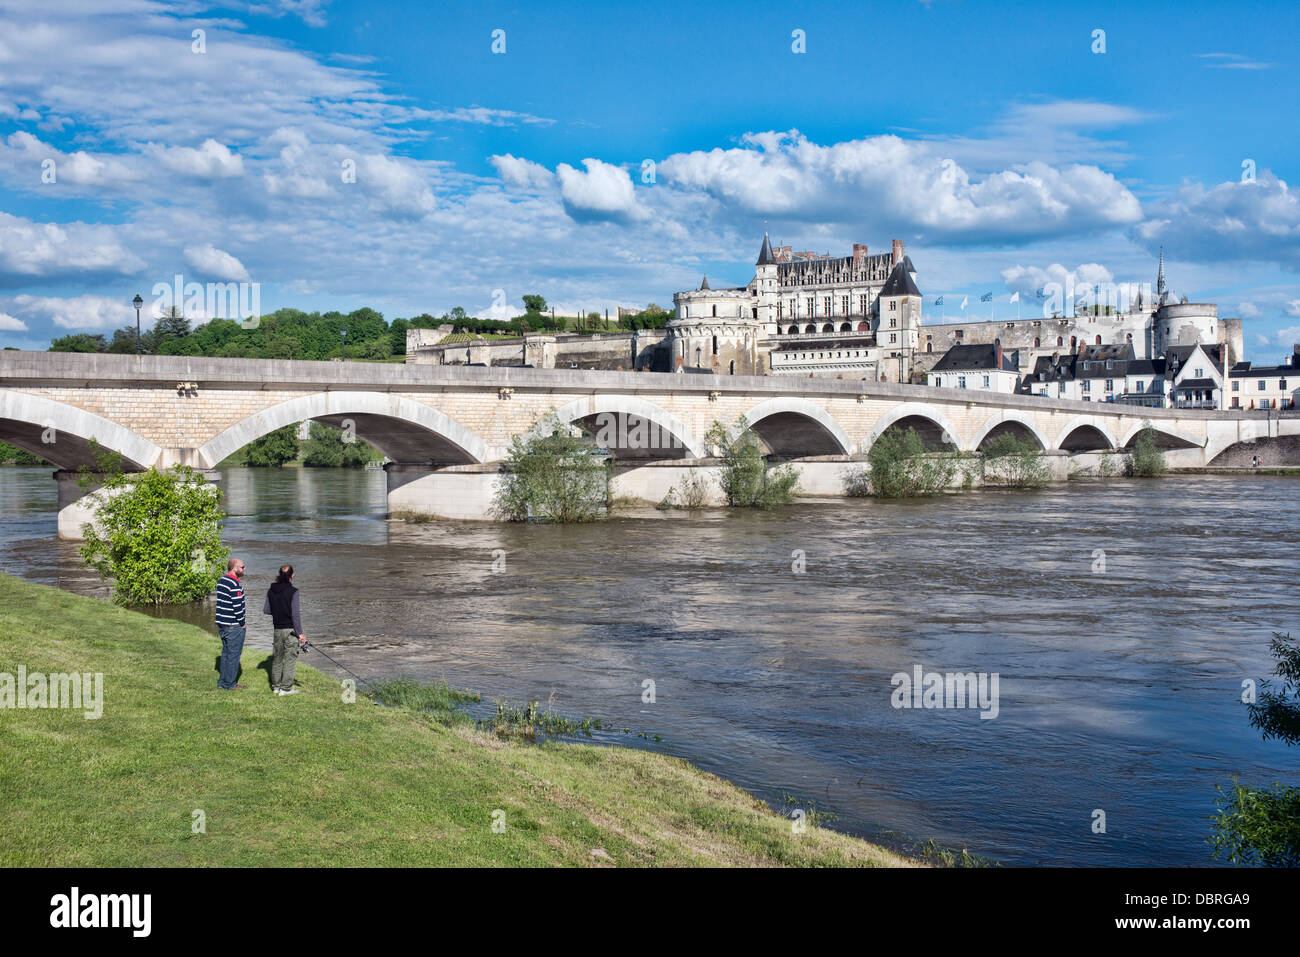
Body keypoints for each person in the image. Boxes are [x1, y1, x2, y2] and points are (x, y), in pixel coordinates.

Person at [263, 565, 307, 696]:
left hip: (277, 629)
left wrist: (279, 611)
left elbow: (267, 610)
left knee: (277, 658)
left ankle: (276, 687)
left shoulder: (271, 590)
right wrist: (300, 633)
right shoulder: (294, 591)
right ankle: (286, 689)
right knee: (290, 659)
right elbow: (295, 615)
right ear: (292, 576)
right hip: (290, 631)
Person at [215, 558, 247, 690]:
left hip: (222, 623)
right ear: (235, 568)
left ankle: (222, 682)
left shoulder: (222, 581)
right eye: (242, 567)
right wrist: (242, 623)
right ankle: (230, 684)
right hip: (233, 625)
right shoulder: (235, 585)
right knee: (233, 655)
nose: (244, 569)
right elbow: (237, 607)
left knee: (226, 653)